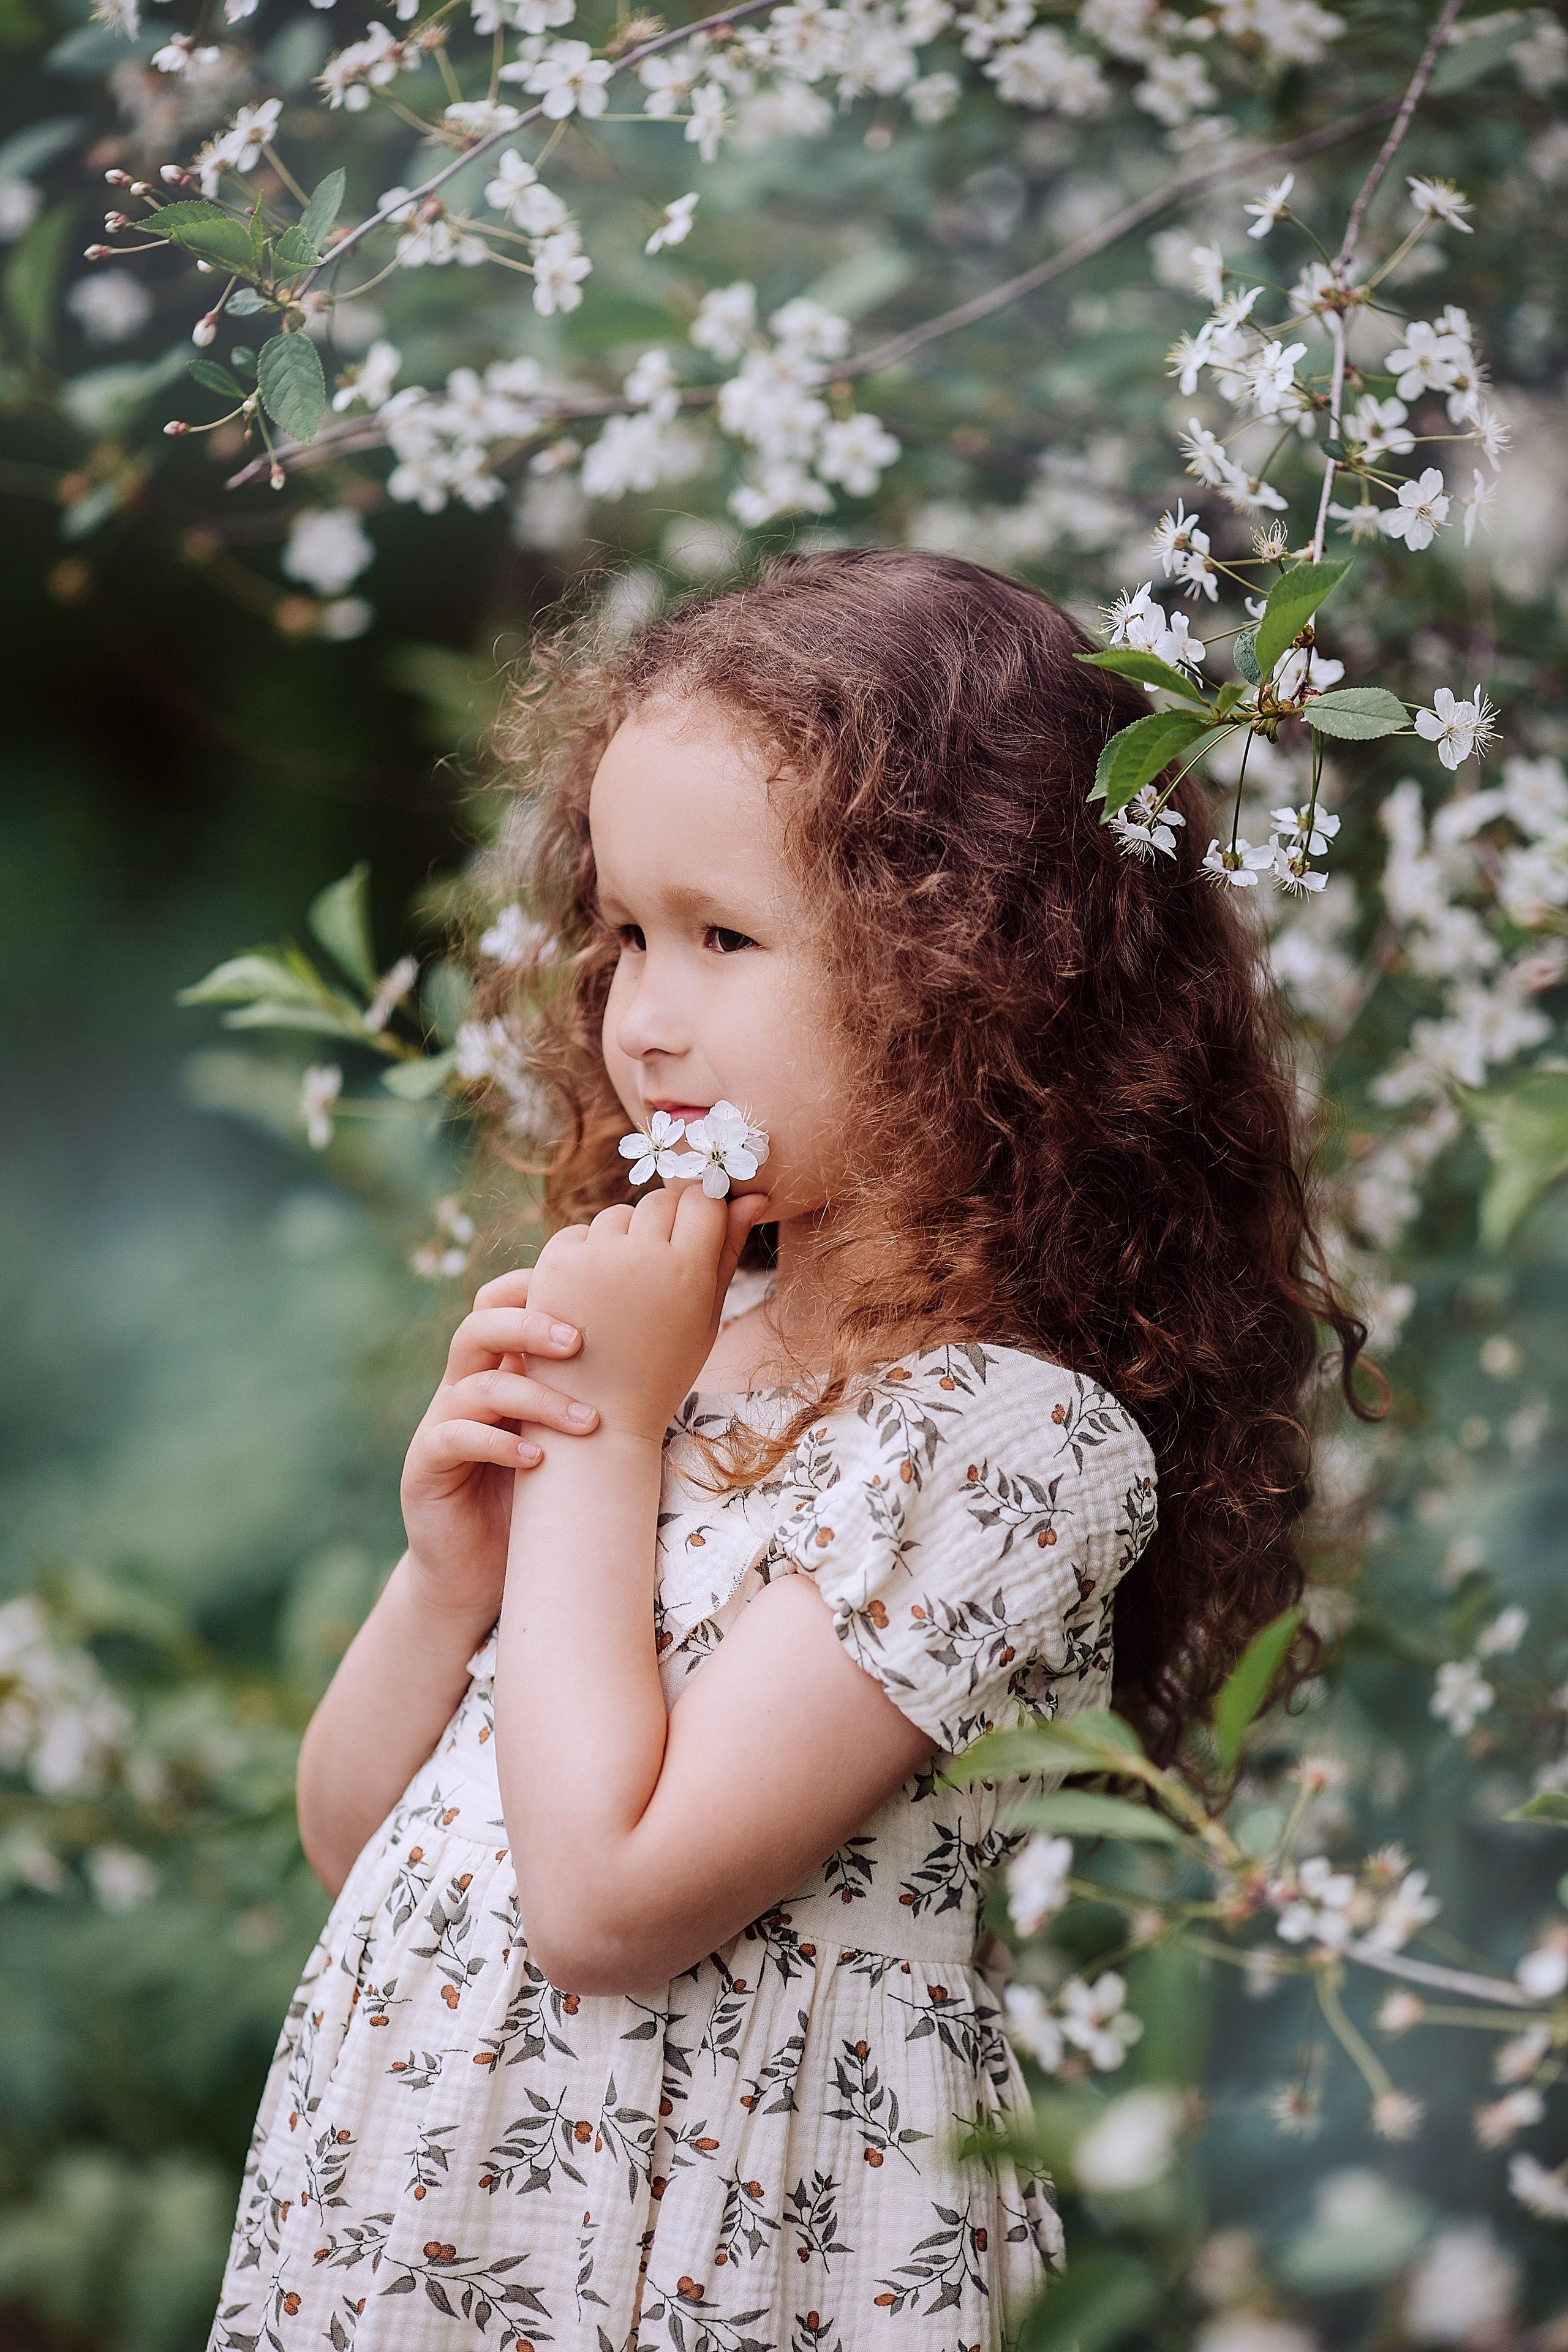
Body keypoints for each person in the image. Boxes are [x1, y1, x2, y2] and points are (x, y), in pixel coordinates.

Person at [208, 549, 1369, 2352]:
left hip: (724, 2241)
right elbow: (365, 1836)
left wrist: (601, 1444)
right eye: (623, 938)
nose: (645, 1018)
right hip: (428, 2224)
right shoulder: (686, 1358)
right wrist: (452, 1576)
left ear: (978, 974)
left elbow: (607, 1908)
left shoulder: (1012, 1443)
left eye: (724, 938)